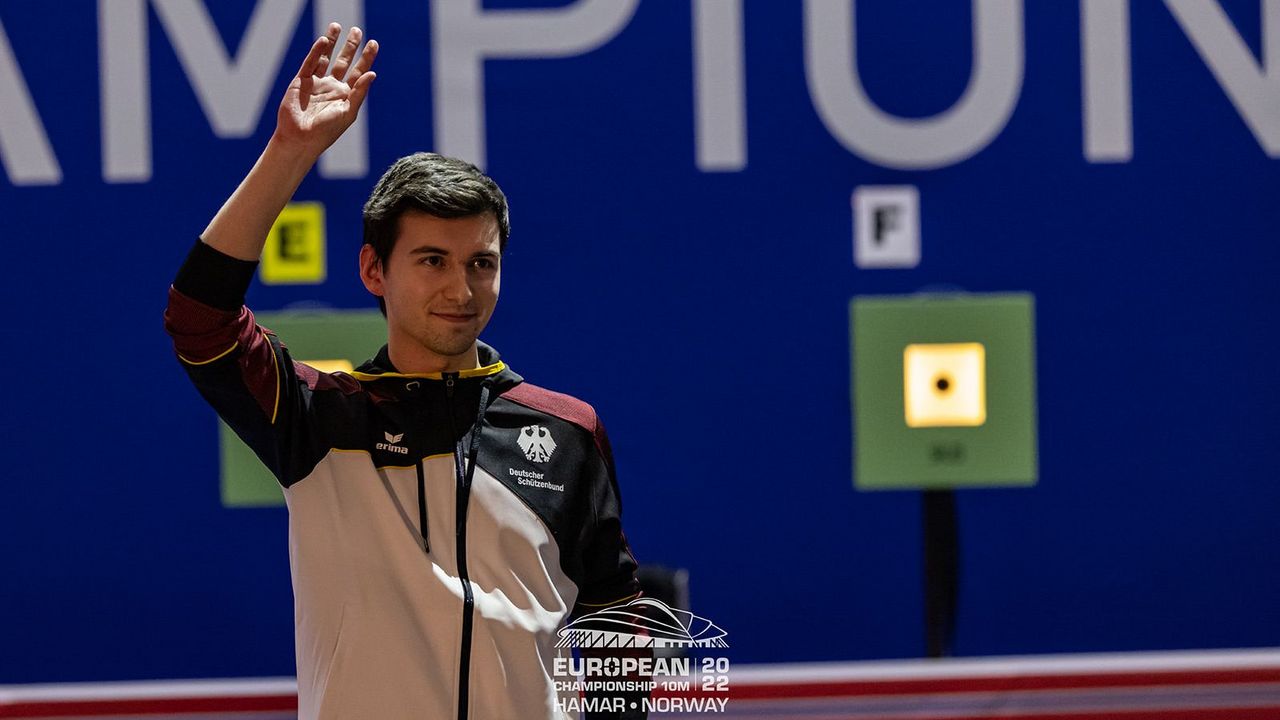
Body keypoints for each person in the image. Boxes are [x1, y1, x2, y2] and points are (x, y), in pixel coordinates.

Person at [164, 24, 644, 720]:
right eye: (432, 261)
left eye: (481, 263)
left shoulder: (567, 428)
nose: (461, 290)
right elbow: (198, 318)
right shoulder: (316, 417)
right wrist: (290, 153)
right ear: (372, 271)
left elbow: (615, 615)